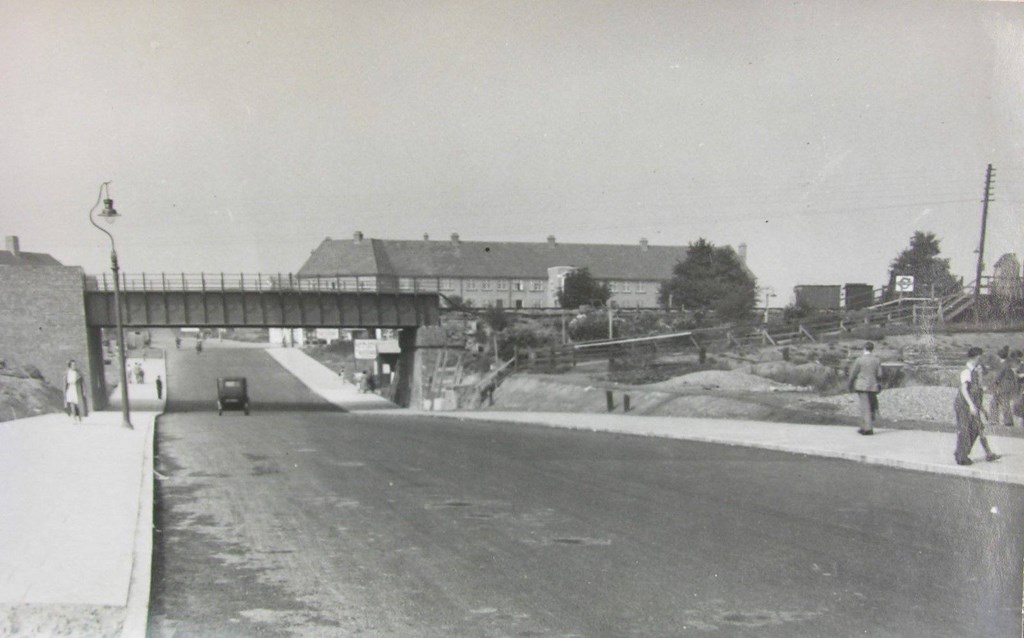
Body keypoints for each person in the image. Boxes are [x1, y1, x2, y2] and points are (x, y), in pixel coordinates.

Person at [953, 347, 1000, 465]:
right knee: (966, 430)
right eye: (980, 357)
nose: (982, 359)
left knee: (978, 428)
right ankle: (961, 456)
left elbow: (977, 393)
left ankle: (985, 453)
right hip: (964, 405)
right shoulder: (966, 371)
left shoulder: (975, 372)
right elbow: (964, 390)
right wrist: (971, 405)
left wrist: (982, 409)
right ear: (976, 357)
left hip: (973, 405)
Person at [847, 341, 882, 435]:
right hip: (873, 385)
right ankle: (863, 426)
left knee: (864, 406)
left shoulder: (859, 360)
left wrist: (850, 384)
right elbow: (880, 374)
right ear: (872, 349)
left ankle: (868, 428)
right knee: (870, 406)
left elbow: (853, 373)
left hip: (862, 385)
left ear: (864, 349)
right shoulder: (877, 360)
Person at [989, 346, 1020, 427]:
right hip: (1006, 387)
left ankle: (995, 420)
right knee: (1004, 403)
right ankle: (1007, 421)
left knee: (996, 403)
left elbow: (998, 376)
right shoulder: (1007, 363)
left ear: (999, 355)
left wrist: (991, 385)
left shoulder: (1003, 364)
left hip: (1002, 387)